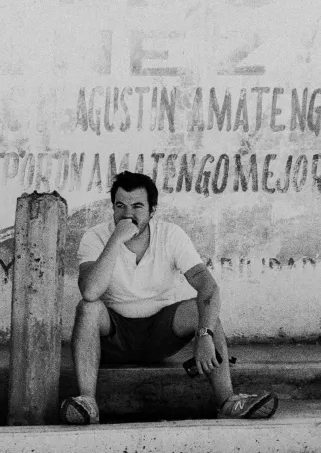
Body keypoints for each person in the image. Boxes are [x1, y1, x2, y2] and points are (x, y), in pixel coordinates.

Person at [60, 171, 278, 424]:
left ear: (152, 210)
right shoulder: (95, 236)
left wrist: (204, 334)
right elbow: (90, 291)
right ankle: (88, 402)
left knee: (200, 310)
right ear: (113, 208)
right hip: (114, 336)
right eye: (120, 206)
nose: (127, 214)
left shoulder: (171, 235)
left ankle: (228, 401)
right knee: (88, 308)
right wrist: (116, 239)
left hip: (160, 334)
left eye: (137, 206)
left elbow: (208, 287)